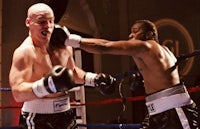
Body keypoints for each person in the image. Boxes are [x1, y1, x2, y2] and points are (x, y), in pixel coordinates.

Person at [60, 20, 199, 128]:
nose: (130, 35)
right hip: (156, 111)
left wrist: (69, 40)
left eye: (135, 31)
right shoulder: (162, 51)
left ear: (149, 34)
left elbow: (105, 46)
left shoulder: (145, 46)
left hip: (174, 112)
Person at [9, 3, 116, 129]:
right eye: (42, 22)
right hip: (37, 117)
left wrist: (94, 79)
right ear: (28, 22)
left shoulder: (63, 45)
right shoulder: (25, 52)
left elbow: (72, 73)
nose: (48, 26)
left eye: (51, 21)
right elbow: (18, 93)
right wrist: (46, 86)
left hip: (65, 113)